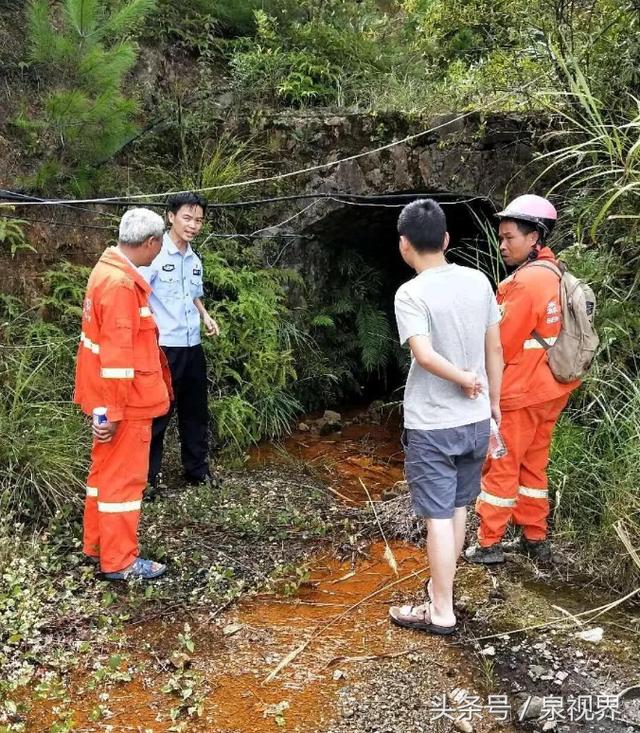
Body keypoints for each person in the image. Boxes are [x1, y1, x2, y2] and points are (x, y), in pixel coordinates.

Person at [388, 198, 503, 635]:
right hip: (475, 421)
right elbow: (495, 347)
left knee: (438, 515)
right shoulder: (478, 281)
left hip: (433, 423)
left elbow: (424, 354)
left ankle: (440, 610)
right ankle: (443, 591)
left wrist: (464, 380)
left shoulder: (411, 293)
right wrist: (491, 400)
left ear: (404, 245)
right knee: (458, 507)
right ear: (446, 240)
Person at [465, 195, 580, 565]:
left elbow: (500, 345)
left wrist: (479, 385)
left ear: (534, 238)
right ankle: (535, 538)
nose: (502, 245)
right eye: (500, 237)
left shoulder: (524, 283)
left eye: (509, 237)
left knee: (501, 464)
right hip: (553, 389)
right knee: (533, 465)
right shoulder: (557, 274)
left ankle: (488, 543)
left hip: (520, 392)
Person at [74, 208, 172, 580]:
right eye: (158, 244)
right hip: (125, 404)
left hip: (110, 399)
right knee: (124, 482)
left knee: (104, 475)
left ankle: (98, 546)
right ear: (150, 243)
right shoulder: (119, 286)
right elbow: (117, 361)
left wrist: (105, 411)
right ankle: (120, 561)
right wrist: (112, 415)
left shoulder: (106, 271)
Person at [140, 192, 220, 491]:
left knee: (196, 410)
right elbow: (139, 295)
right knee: (160, 412)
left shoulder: (194, 259)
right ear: (171, 216)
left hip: (192, 345)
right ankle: (148, 479)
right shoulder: (154, 255)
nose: (193, 225)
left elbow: (194, 294)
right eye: (187, 218)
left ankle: (197, 471)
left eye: (199, 220)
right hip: (164, 348)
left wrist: (205, 316)